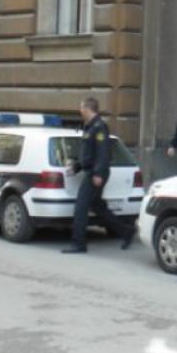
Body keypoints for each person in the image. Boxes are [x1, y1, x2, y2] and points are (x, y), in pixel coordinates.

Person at [62, 98, 136, 254]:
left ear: (87, 108)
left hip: (95, 173)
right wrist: (76, 167)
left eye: (81, 108)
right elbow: (88, 155)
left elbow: (103, 153)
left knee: (81, 208)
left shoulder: (99, 127)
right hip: (92, 171)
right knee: (99, 208)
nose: (80, 111)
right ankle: (126, 231)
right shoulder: (89, 127)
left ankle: (79, 244)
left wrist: (98, 173)